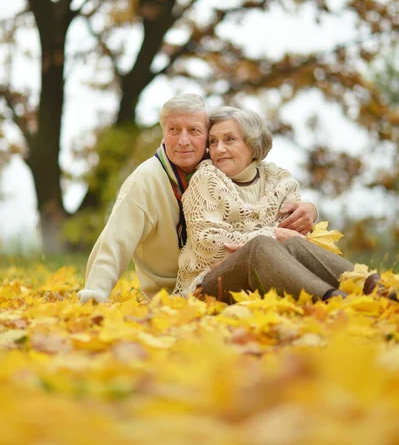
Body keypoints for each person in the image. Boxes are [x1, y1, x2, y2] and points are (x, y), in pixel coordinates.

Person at [78, 95, 318, 303]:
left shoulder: (218, 165)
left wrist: (310, 208)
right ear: (163, 135)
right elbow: (114, 243)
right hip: (176, 294)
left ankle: (349, 285)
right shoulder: (146, 180)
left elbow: (262, 197)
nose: (183, 141)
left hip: (238, 277)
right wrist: (93, 298)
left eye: (194, 131)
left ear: (205, 137)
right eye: (174, 130)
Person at [173, 106, 372, 303]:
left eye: (229, 139)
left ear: (252, 144)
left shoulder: (277, 179)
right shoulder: (205, 179)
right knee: (260, 246)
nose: (219, 149)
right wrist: (272, 234)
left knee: (293, 243)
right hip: (206, 286)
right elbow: (210, 245)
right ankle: (334, 299)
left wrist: (307, 212)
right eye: (213, 142)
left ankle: (376, 287)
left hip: (268, 279)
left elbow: (295, 238)